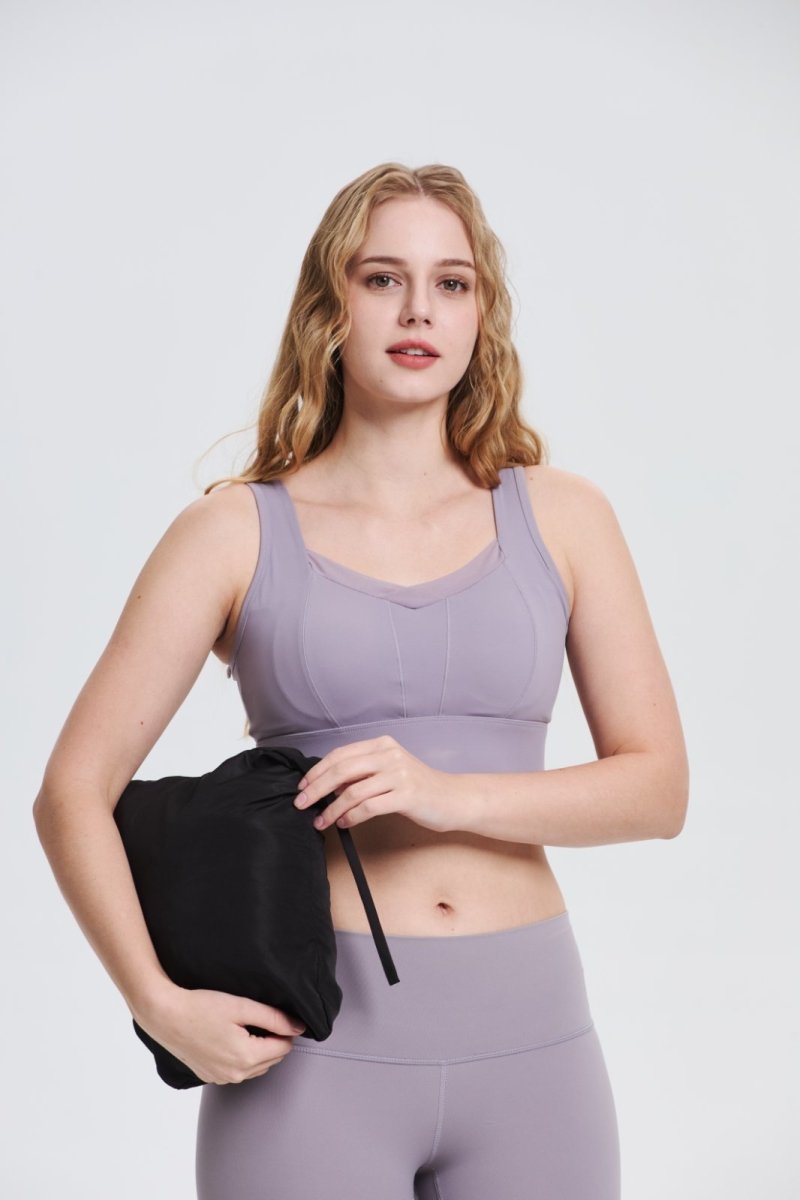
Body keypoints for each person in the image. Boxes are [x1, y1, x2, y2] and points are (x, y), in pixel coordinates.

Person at [33, 161, 689, 1200]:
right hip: (311, 1058)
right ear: (328, 307)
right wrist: (156, 1002)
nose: (418, 309)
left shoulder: (564, 516)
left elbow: (657, 791)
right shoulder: (232, 531)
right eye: (382, 278)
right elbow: (71, 791)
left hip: (534, 1045)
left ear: (481, 314)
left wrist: (447, 794)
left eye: (451, 282)